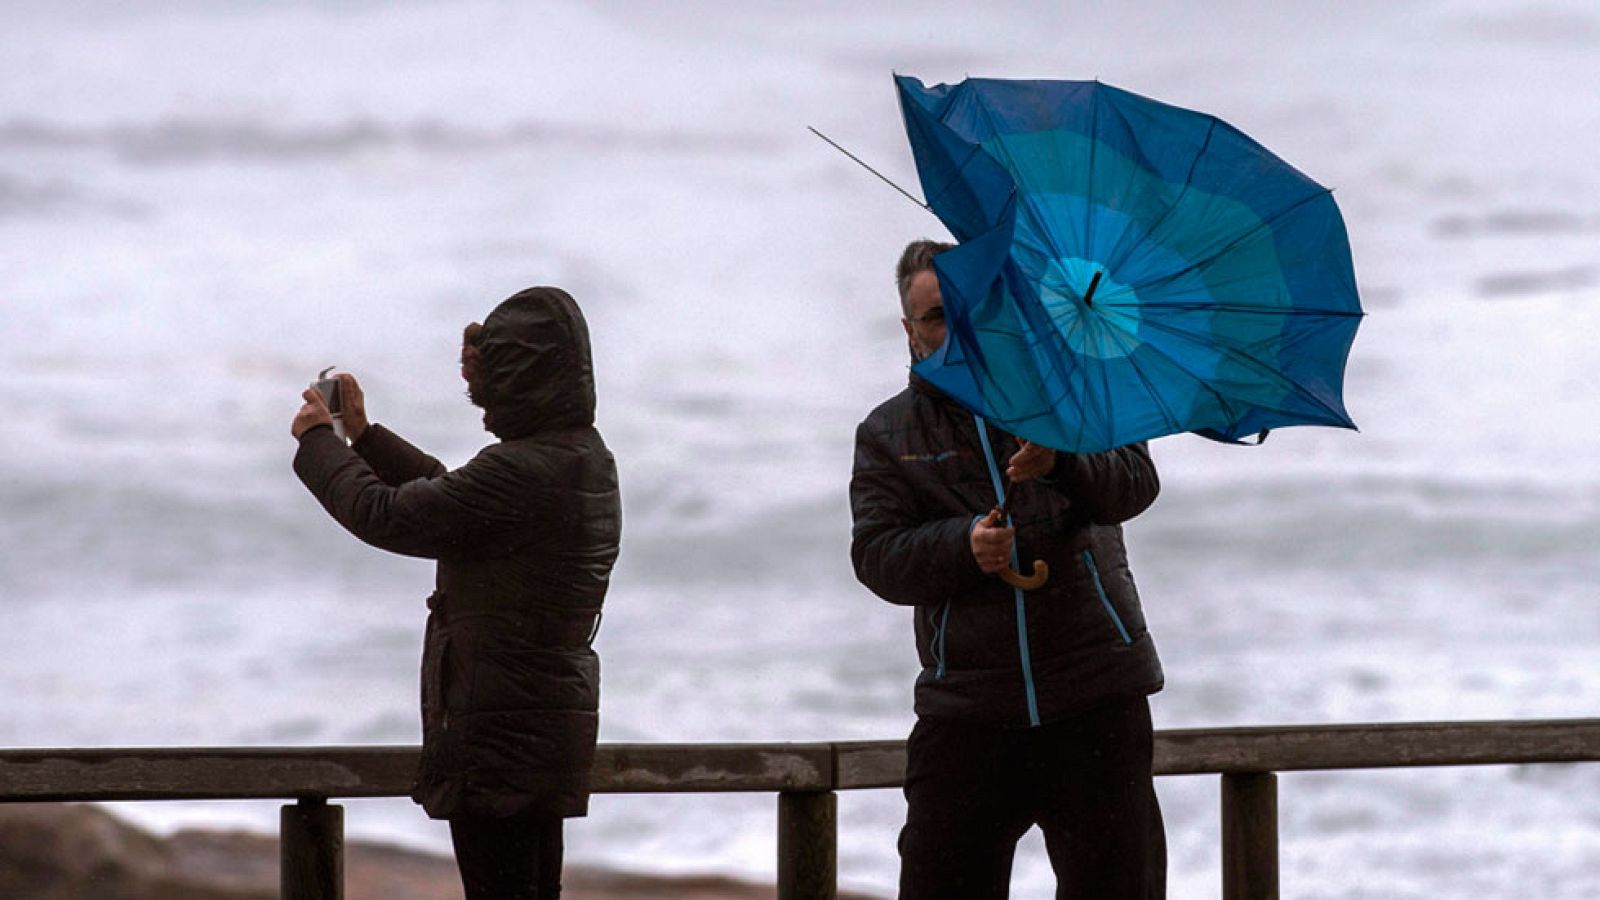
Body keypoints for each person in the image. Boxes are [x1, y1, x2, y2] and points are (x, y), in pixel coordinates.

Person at [849, 240, 1167, 899]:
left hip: (1095, 699)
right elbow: (877, 556)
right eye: (935, 316)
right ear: (910, 333)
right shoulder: (888, 432)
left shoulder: (1071, 392)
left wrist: (1064, 462)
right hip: (968, 707)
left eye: (967, 308)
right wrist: (961, 547)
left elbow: (1135, 485)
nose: (953, 327)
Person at [290, 286, 621, 900]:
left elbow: (386, 515)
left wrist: (318, 443)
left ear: (516, 377)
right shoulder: (583, 458)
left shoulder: (521, 471)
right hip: (544, 726)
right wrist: (364, 438)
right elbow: (455, 502)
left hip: (499, 737)